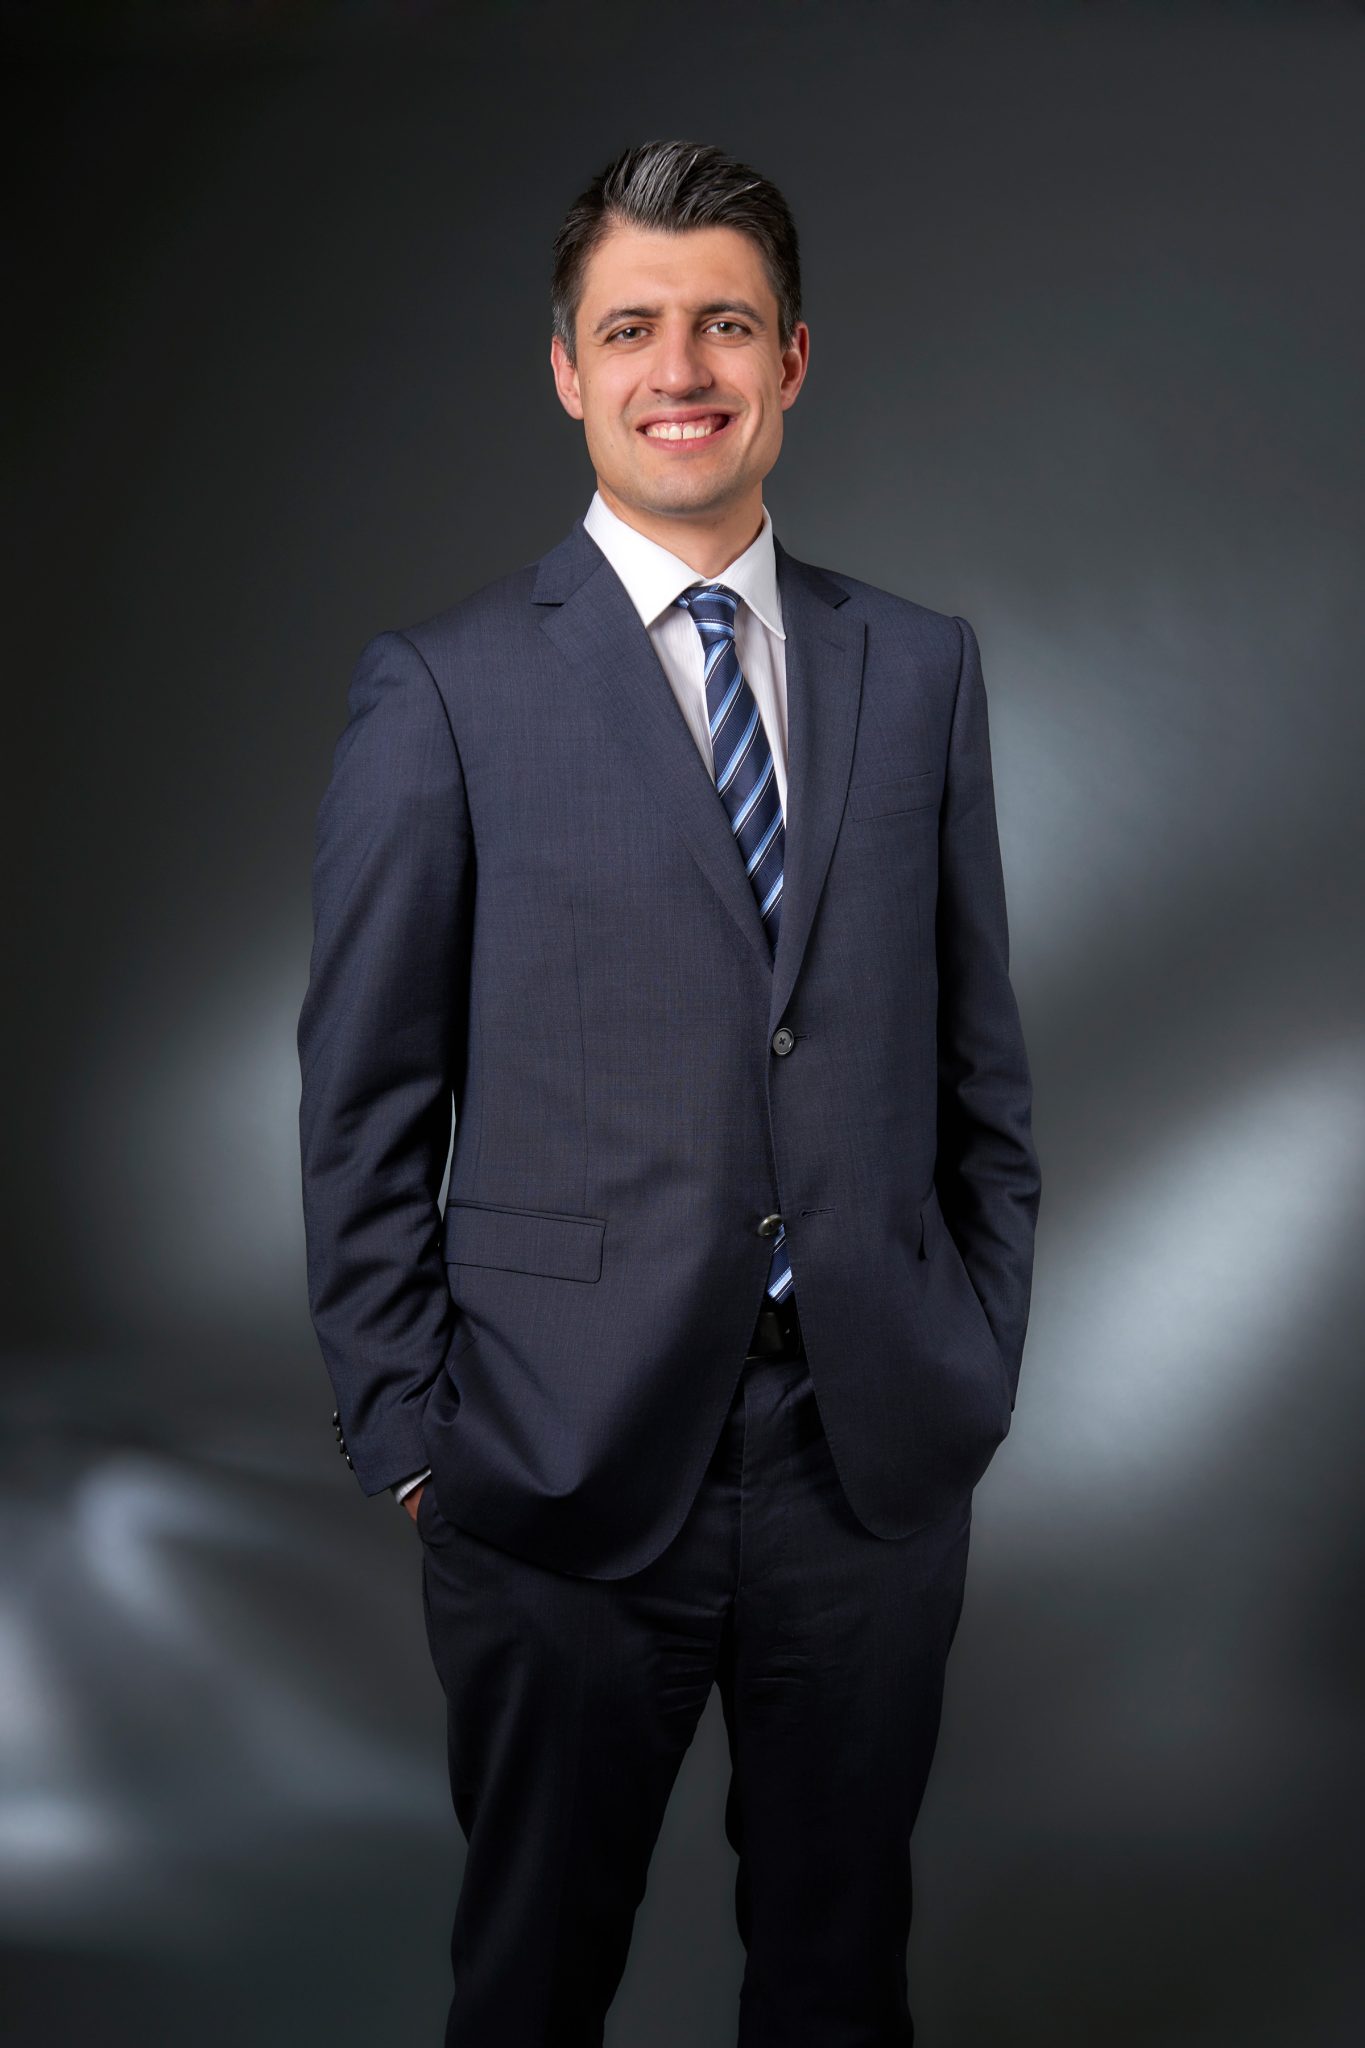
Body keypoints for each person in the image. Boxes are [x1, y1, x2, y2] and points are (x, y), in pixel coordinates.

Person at [297, 135, 1041, 2047]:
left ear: (791, 360)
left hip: (864, 1462)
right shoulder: (444, 691)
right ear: (568, 370)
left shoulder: (919, 671)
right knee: (532, 1986)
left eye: (723, 322)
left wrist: (967, 1351)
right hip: (551, 1466)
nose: (679, 368)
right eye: (631, 328)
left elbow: (982, 1068)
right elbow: (363, 1097)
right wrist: (414, 1436)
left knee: (836, 1986)